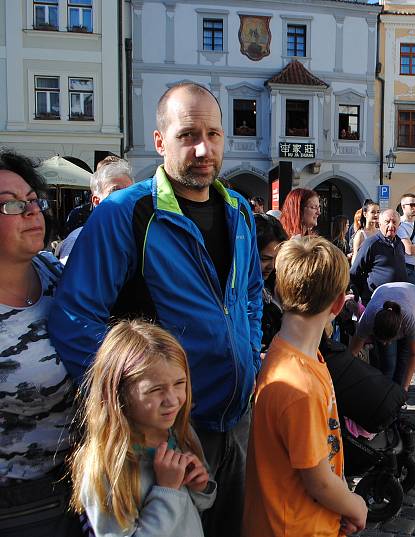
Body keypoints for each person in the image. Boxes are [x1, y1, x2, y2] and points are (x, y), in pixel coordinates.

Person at [49, 82, 262, 537]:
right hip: (166, 433)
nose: (204, 148)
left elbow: (249, 296)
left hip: (235, 420)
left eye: (214, 133)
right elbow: (73, 318)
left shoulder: (239, 209)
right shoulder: (126, 212)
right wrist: (137, 406)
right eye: (188, 134)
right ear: (160, 140)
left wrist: (251, 360)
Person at [243, 237, 367, 537]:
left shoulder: (287, 351)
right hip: (294, 526)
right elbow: (318, 481)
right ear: (339, 303)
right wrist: (354, 505)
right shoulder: (300, 386)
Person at [70, 320, 216, 536]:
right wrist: (167, 491)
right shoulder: (107, 468)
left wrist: (202, 486)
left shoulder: (181, 434)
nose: (173, 400)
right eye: (155, 390)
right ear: (118, 393)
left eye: (179, 383)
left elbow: (201, 504)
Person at [0, 150, 81, 537]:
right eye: (10, 205)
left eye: (32, 200)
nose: (31, 211)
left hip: (80, 485)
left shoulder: (55, 273)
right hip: (17, 507)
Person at [349, 282, 415, 391]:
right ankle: (384, 394)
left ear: (399, 331)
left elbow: (413, 355)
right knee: (388, 362)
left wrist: (405, 388)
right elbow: (352, 353)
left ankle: (397, 394)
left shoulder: (411, 320)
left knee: (404, 356)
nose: (385, 343)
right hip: (383, 292)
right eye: (381, 339)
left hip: (414, 295)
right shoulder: (367, 319)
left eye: (388, 340)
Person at [57, 157, 134, 263]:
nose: (125, 198)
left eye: (130, 192)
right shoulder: (78, 240)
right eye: (115, 191)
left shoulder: (141, 237)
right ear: (97, 201)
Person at [350, 209, 406, 305]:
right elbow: (355, 271)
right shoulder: (371, 243)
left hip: (397, 299)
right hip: (376, 299)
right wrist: (361, 293)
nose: (391, 225)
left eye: (394, 222)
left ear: (399, 225)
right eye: (387, 222)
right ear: (379, 224)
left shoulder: (400, 243)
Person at [256, 214, 289, 351]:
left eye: (276, 259)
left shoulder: (279, 283)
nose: (272, 266)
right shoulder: (235, 290)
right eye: (264, 259)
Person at [398, 192, 415, 290]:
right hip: (409, 270)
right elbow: (409, 250)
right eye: (412, 205)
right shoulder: (399, 224)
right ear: (403, 207)